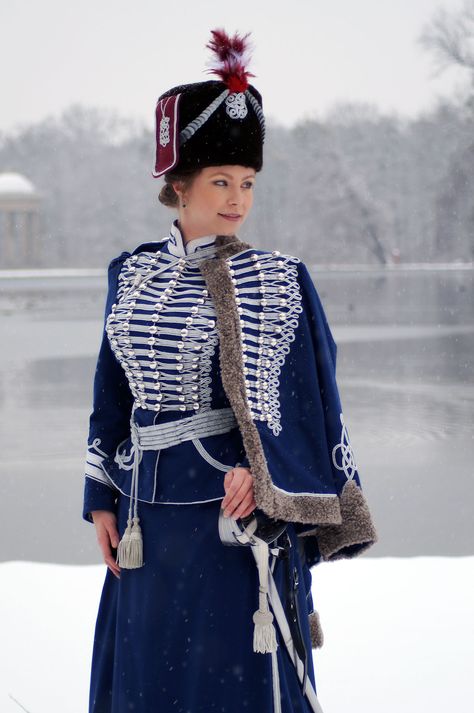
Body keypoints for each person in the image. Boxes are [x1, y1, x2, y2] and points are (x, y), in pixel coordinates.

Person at [82, 27, 378, 713]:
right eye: (220, 180)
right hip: (143, 528)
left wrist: (263, 469)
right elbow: (110, 390)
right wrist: (99, 494)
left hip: (233, 521)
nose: (237, 197)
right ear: (178, 185)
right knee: (148, 682)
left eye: (246, 181)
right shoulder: (129, 274)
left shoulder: (280, 278)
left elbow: (311, 403)